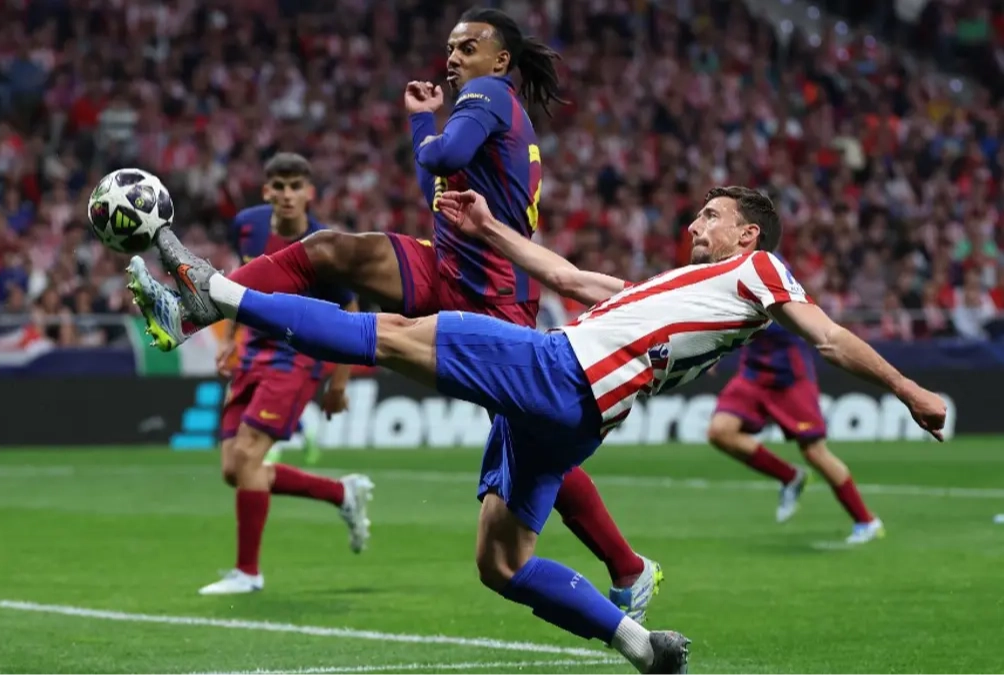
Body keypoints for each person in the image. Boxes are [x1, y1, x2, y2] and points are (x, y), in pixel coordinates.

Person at [126, 185, 947, 674]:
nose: (696, 223)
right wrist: (489, 229)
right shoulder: (681, 291)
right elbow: (564, 273)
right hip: (576, 421)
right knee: (501, 562)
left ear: (749, 234)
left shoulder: (759, 272)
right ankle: (641, 646)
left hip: (561, 371)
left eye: (712, 214)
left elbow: (828, 336)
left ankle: (213, 292)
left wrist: (909, 389)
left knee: (394, 334)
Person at [135, 7, 661, 621]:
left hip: (494, 292)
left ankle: (628, 566)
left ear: (501, 61)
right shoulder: (479, 109)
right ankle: (197, 307)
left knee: (530, 437)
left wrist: (428, 129)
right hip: (448, 266)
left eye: (468, 47)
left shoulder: (490, 95)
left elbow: (444, 155)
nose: (454, 57)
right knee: (332, 250)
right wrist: (422, 121)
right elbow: (433, 184)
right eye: (451, 47)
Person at [197, 152, 373, 596]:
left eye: (296, 186)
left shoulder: (325, 246)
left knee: (248, 458)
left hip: (297, 357)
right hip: (252, 352)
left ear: (309, 193)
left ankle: (248, 573)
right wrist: (231, 339)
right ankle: (341, 493)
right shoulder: (247, 226)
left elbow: (351, 313)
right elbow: (239, 286)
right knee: (234, 469)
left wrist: (339, 382)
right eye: (280, 186)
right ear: (267, 191)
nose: (288, 194)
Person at [707, 262, 884, 544]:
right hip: (753, 372)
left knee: (814, 451)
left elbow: (785, 318)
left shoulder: (768, 267)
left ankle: (867, 521)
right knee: (720, 431)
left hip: (789, 374)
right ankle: (790, 477)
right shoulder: (730, 270)